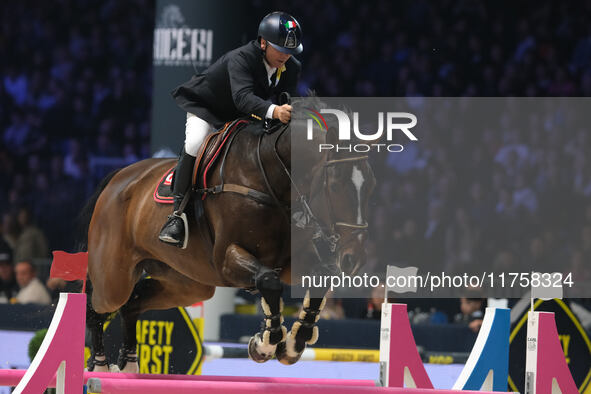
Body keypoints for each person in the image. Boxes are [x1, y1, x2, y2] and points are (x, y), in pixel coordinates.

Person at [159, 11, 303, 248]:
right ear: (263, 42)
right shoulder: (241, 58)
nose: (285, 56)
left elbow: (285, 98)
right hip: (209, 108)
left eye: (289, 51)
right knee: (196, 142)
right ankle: (177, 215)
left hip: (244, 116)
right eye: (280, 49)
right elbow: (243, 98)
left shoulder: (291, 66)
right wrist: (275, 111)